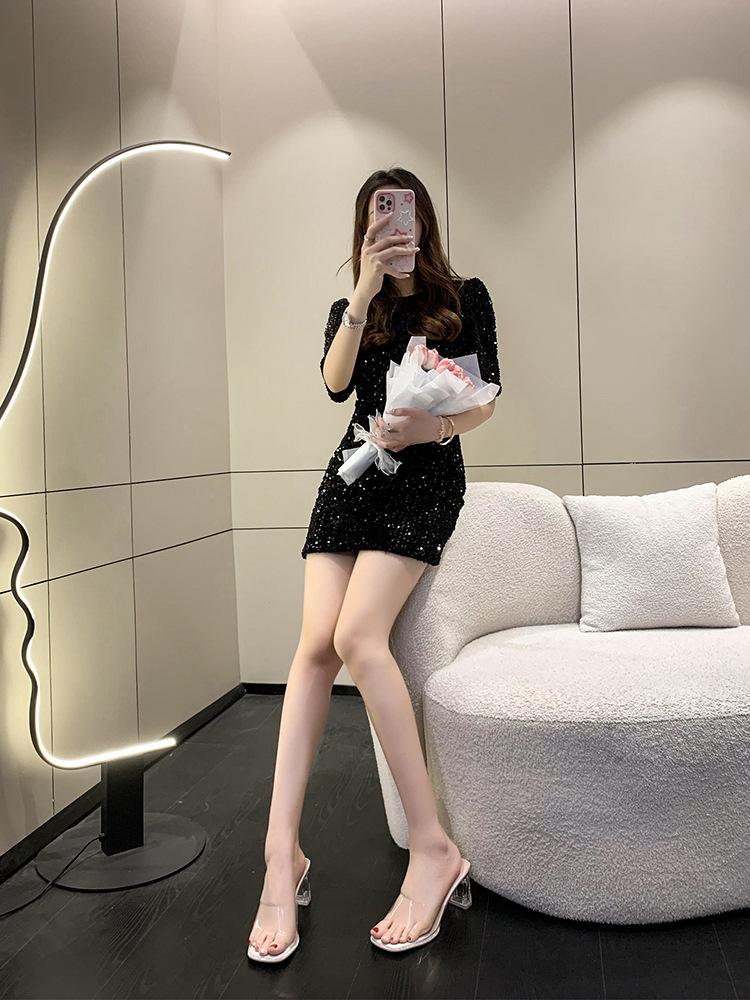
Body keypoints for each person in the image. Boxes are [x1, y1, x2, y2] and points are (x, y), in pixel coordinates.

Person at [248, 169, 502, 962]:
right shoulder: (352, 307)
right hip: (353, 476)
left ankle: (432, 847)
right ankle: (280, 854)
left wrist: (429, 431)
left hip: (424, 479)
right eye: (377, 217)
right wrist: (362, 289)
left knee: (359, 636)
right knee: (312, 648)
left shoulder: (464, 296)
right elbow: (335, 385)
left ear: (424, 221)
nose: (394, 226)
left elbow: (484, 399)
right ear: (364, 228)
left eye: (403, 213)